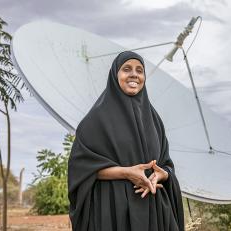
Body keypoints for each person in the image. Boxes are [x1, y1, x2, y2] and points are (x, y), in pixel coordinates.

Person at [68, 51, 185, 231]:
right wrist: (125, 172)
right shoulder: (96, 119)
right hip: (114, 211)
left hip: (154, 211)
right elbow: (81, 167)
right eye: (126, 69)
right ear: (115, 75)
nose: (134, 75)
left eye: (139, 70)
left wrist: (163, 174)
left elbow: (166, 164)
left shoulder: (154, 120)